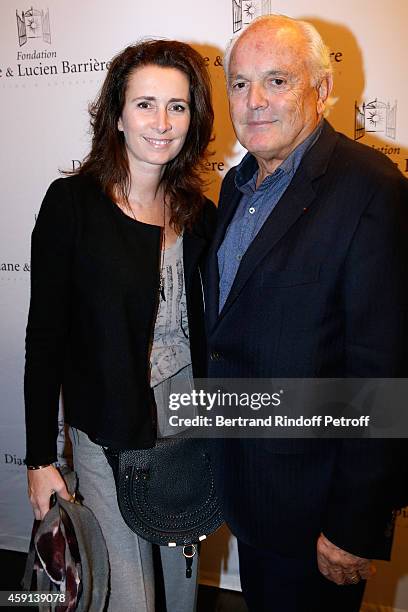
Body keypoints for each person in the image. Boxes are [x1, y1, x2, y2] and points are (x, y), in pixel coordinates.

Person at [205, 14, 408, 612]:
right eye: (239, 84)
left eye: (277, 80)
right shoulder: (236, 184)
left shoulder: (372, 189)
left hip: (318, 509)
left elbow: (385, 371)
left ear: (321, 90)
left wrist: (354, 522)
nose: (255, 101)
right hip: (249, 487)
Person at [24, 39, 215, 612]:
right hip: (106, 423)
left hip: (185, 419)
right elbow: (45, 338)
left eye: (177, 107)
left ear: (194, 118)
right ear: (117, 115)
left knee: (180, 589)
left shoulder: (200, 213)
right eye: (145, 104)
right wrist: (39, 458)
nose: (162, 122)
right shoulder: (72, 204)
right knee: (130, 595)